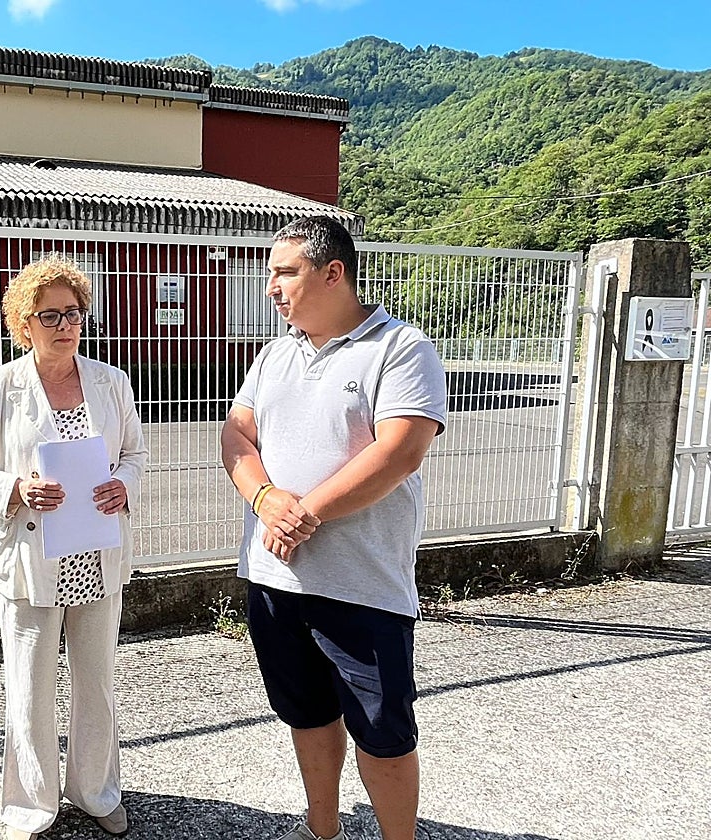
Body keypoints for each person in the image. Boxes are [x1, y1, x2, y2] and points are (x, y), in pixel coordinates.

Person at [220, 217, 447, 840]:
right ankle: (323, 827)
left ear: (333, 273)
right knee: (307, 714)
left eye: (284, 272)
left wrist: (306, 512)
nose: (271, 287)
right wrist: (265, 497)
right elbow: (238, 434)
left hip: (362, 584)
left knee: (384, 731)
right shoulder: (273, 356)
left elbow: (400, 451)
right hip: (274, 578)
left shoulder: (400, 349)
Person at [0, 256, 148, 840]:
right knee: (30, 689)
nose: (67, 324)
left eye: (75, 312)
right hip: (31, 559)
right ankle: (31, 805)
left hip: (96, 552)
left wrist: (124, 484)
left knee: (97, 682)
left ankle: (95, 791)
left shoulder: (111, 381)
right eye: (51, 314)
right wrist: (16, 488)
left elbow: (134, 454)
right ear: (23, 323)